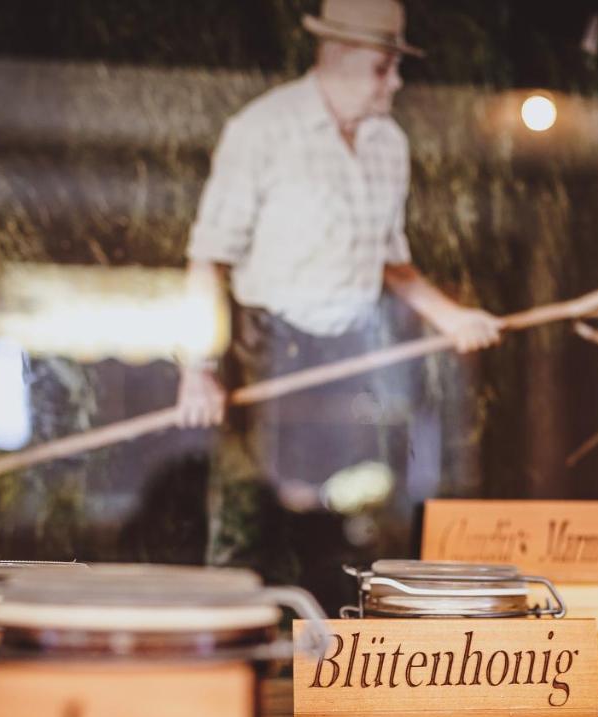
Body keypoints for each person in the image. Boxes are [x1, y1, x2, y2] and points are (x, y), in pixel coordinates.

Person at [177, 0, 499, 600]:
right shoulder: (262, 131)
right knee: (249, 527)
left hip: (355, 353)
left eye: (396, 66)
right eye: (384, 67)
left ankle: (338, 664)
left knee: (349, 526)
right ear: (338, 57)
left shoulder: (388, 145)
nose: (396, 82)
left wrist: (449, 316)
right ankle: (243, 663)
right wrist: (198, 369)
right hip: (265, 350)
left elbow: (391, 262)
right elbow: (208, 259)